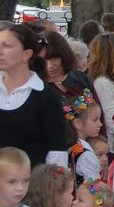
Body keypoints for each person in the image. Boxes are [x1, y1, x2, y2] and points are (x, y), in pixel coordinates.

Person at [0, 23, 67, 167]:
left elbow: (57, 152)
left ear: (26, 54)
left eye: (7, 45)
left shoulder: (46, 97)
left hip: (31, 184)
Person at [64, 89, 103, 186]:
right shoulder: (85, 155)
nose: (100, 124)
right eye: (95, 120)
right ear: (78, 123)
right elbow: (94, 188)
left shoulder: (70, 147)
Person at [43, 31, 97, 100]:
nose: (49, 65)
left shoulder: (80, 78)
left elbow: (98, 105)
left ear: (64, 55)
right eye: (44, 60)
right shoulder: (38, 89)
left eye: (54, 58)